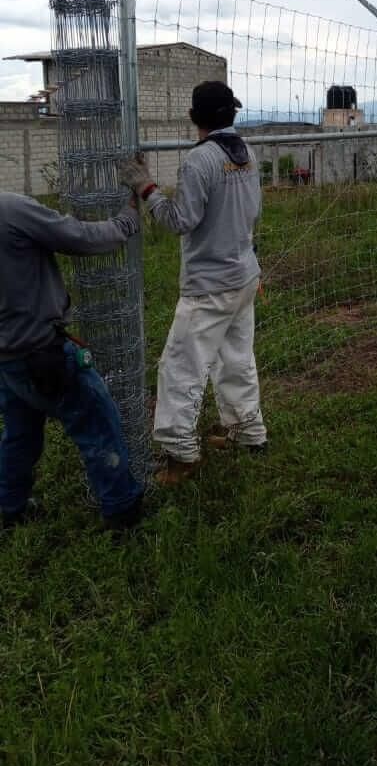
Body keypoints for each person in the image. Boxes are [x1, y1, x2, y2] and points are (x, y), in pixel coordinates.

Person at [120, 81, 266, 486]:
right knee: (236, 359)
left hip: (209, 286)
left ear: (192, 117)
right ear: (233, 113)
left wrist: (145, 188)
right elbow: (253, 211)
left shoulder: (199, 160)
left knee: (180, 369)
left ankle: (181, 455)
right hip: (243, 276)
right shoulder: (248, 154)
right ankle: (248, 433)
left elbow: (179, 220)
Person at [0, 192, 144, 532]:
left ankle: (9, 507)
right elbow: (78, 237)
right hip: (39, 350)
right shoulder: (10, 209)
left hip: (6, 358)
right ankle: (122, 511)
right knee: (98, 423)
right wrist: (126, 220)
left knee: (20, 434)